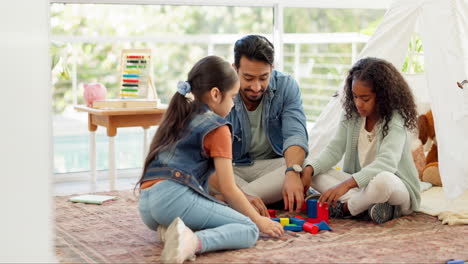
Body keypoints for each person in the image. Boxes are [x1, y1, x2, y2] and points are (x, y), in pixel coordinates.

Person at [136, 56, 284, 264]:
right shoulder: (217, 127)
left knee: (220, 211)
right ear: (216, 94)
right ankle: (192, 241)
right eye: (233, 97)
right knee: (248, 229)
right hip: (171, 200)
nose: (233, 104)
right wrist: (259, 220)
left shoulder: (181, 114)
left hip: (147, 207)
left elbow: (208, 180)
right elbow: (228, 187)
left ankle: (169, 231)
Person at [301, 57, 421, 224]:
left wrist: (345, 185)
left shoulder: (395, 119)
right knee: (314, 171)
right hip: (361, 187)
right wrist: (309, 169)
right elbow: (334, 149)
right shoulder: (351, 114)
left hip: (396, 188)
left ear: (382, 97)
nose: (358, 103)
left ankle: (346, 208)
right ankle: (372, 207)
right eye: (355, 96)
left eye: (365, 99)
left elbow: (387, 163)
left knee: (382, 181)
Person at [209, 35, 309, 215]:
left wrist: (293, 172)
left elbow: (295, 134)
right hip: (231, 170)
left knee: (305, 165)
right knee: (205, 173)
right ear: (235, 69)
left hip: (271, 167)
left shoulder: (286, 86)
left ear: (272, 68)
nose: (256, 87)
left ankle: (228, 203)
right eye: (248, 78)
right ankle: (252, 199)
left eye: (264, 78)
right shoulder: (219, 91)